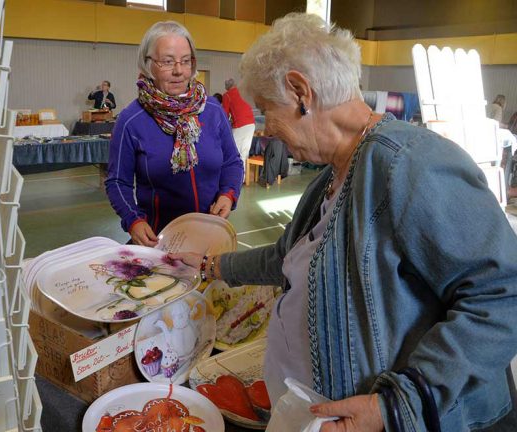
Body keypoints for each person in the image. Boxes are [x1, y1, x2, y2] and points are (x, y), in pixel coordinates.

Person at [171, 13, 517, 432]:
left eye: (266, 110)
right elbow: (286, 258)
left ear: (301, 91)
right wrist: (210, 267)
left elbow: (501, 296)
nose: (268, 129)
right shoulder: (331, 176)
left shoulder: (410, 164)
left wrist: (395, 405)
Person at [105, 21, 243, 247]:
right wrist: (133, 220)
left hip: (209, 237)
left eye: (186, 61)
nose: (179, 70)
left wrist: (228, 194)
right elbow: (117, 182)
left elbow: (232, 162)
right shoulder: (131, 121)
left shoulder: (213, 110)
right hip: (158, 241)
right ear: (148, 65)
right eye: (168, 62)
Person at [222, 78, 256, 173]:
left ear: (226, 87)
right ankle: (242, 177)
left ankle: (233, 175)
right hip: (251, 124)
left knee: (233, 151)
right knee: (244, 152)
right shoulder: (242, 92)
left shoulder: (227, 95)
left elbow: (224, 114)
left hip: (240, 124)